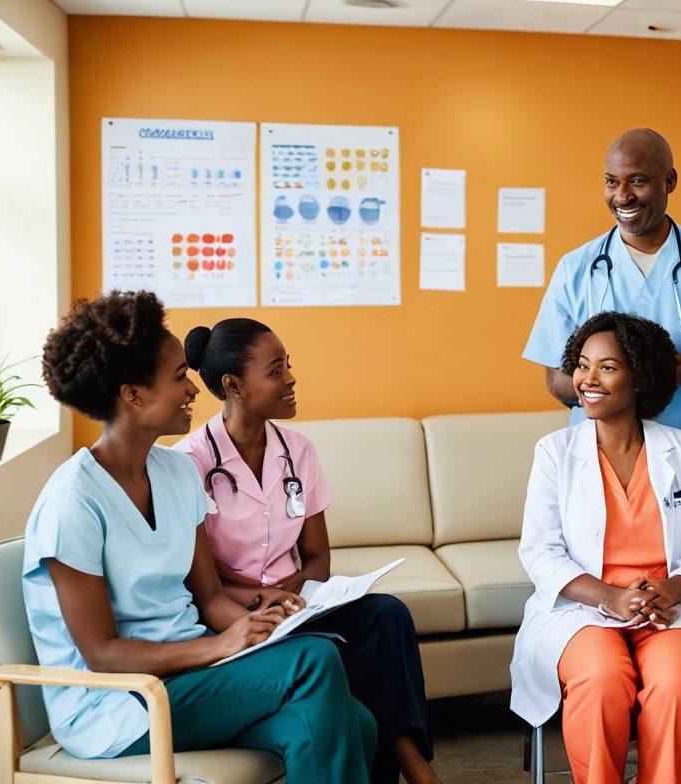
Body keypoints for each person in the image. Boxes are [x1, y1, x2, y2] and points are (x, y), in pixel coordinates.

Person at [24, 291, 374, 782]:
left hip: (189, 674)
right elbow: (102, 653)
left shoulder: (176, 473)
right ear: (133, 395)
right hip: (118, 704)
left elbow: (209, 598)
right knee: (314, 662)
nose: (193, 389)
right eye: (178, 377)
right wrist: (220, 647)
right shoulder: (72, 502)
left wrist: (262, 629)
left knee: (356, 722)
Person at [523, 128, 681, 757]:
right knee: (605, 643)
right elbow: (554, 377)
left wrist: (669, 369)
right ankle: (614, 718)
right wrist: (607, 382)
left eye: (637, 180)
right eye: (612, 182)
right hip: (601, 456)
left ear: (669, 182)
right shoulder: (577, 267)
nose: (622, 194)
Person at [175, 318, 437, 784]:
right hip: (230, 613)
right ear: (233, 385)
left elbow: (317, 557)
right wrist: (262, 599)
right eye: (276, 370)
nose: (292, 379)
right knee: (329, 653)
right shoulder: (189, 462)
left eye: (288, 365)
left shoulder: (298, 450)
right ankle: (406, 764)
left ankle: (408, 757)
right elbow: (201, 584)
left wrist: (293, 597)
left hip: (297, 603)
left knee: (387, 616)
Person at [511, 312, 681, 784]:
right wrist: (611, 597)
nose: (587, 379)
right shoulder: (555, 452)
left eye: (608, 367)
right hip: (583, 611)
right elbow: (539, 551)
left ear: (641, 377)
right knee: (600, 680)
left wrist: (670, 590)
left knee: (676, 682)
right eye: (582, 365)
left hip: (664, 610)